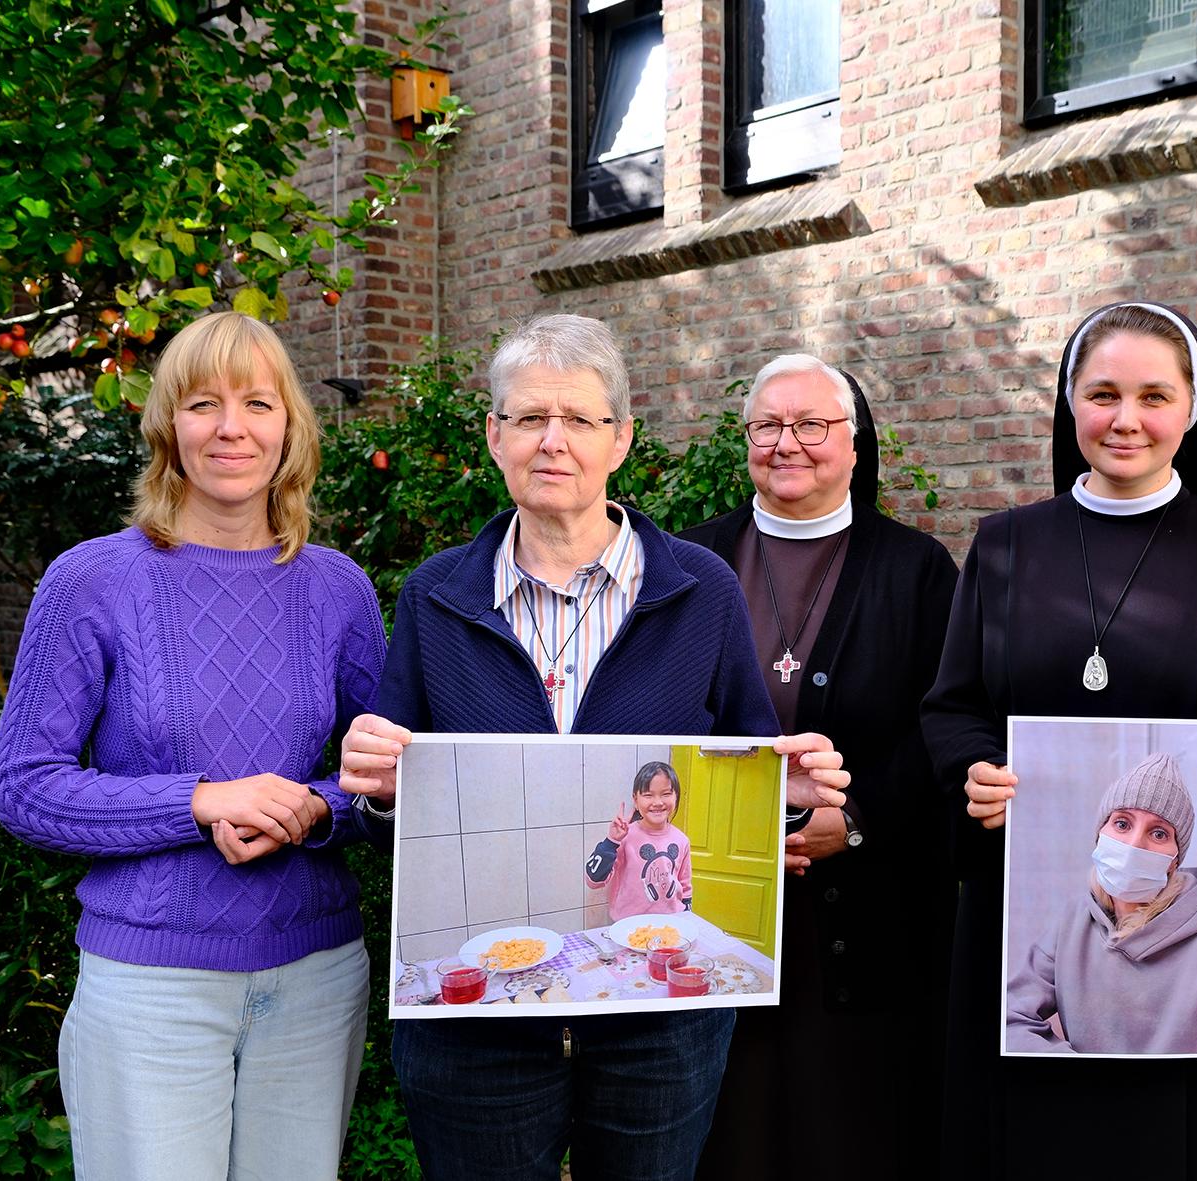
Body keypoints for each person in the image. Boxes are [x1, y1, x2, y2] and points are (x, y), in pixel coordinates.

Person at [335, 314, 850, 1181]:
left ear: (622, 439)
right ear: (494, 436)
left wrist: (790, 788)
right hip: (481, 1021)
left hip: (657, 1019)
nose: (553, 440)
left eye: (579, 418)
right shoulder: (436, 594)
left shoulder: (701, 590)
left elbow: (756, 753)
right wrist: (379, 786)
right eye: (529, 417)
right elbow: (387, 801)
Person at [922, 301, 1197, 1180]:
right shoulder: (1004, 547)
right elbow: (952, 706)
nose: (1127, 419)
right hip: (1023, 903)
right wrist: (973, 771)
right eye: (1103, 393)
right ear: (1071, 405)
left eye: (1155, 395)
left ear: (1192, 409)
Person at [0, 311, 389, 1180]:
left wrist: (315, 806)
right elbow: (24, 786)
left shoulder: (339, 590)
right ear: (169, 425)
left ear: (291, 426)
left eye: (258, 402)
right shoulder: (92, 579)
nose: (232, 426)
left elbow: (388, 783)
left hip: (316, 980)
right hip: (151, 988)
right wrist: (202, 799)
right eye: (204, 403)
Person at [681, 354, 958, 1180]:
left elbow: (943, 728)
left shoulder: (917, 570)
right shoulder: (689, 564)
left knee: (850, 1133)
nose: (786, 443)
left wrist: (860, 817)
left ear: (855, 443)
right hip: (712, 897)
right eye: (767, 425)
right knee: (730, 1132)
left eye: (810, 425)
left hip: (863, 916)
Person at [1004, 751, 1197, 1055]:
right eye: (1123, 824)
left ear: (1174, 860)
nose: (1134, 844)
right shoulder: (1072, 920)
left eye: (1158, 832)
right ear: (1100, 834)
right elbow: (1011, 1016)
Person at [586, 760, 693, 919]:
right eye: (648, 795)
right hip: (628, 925)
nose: (658, 802)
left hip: (672, 921)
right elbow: (593, 880)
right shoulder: (624, 837)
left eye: (666, 794)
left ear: (676, 796)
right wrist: (611, 842)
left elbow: (685, 886)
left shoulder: (682, 840)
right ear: (635, 800)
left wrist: (687, 917)